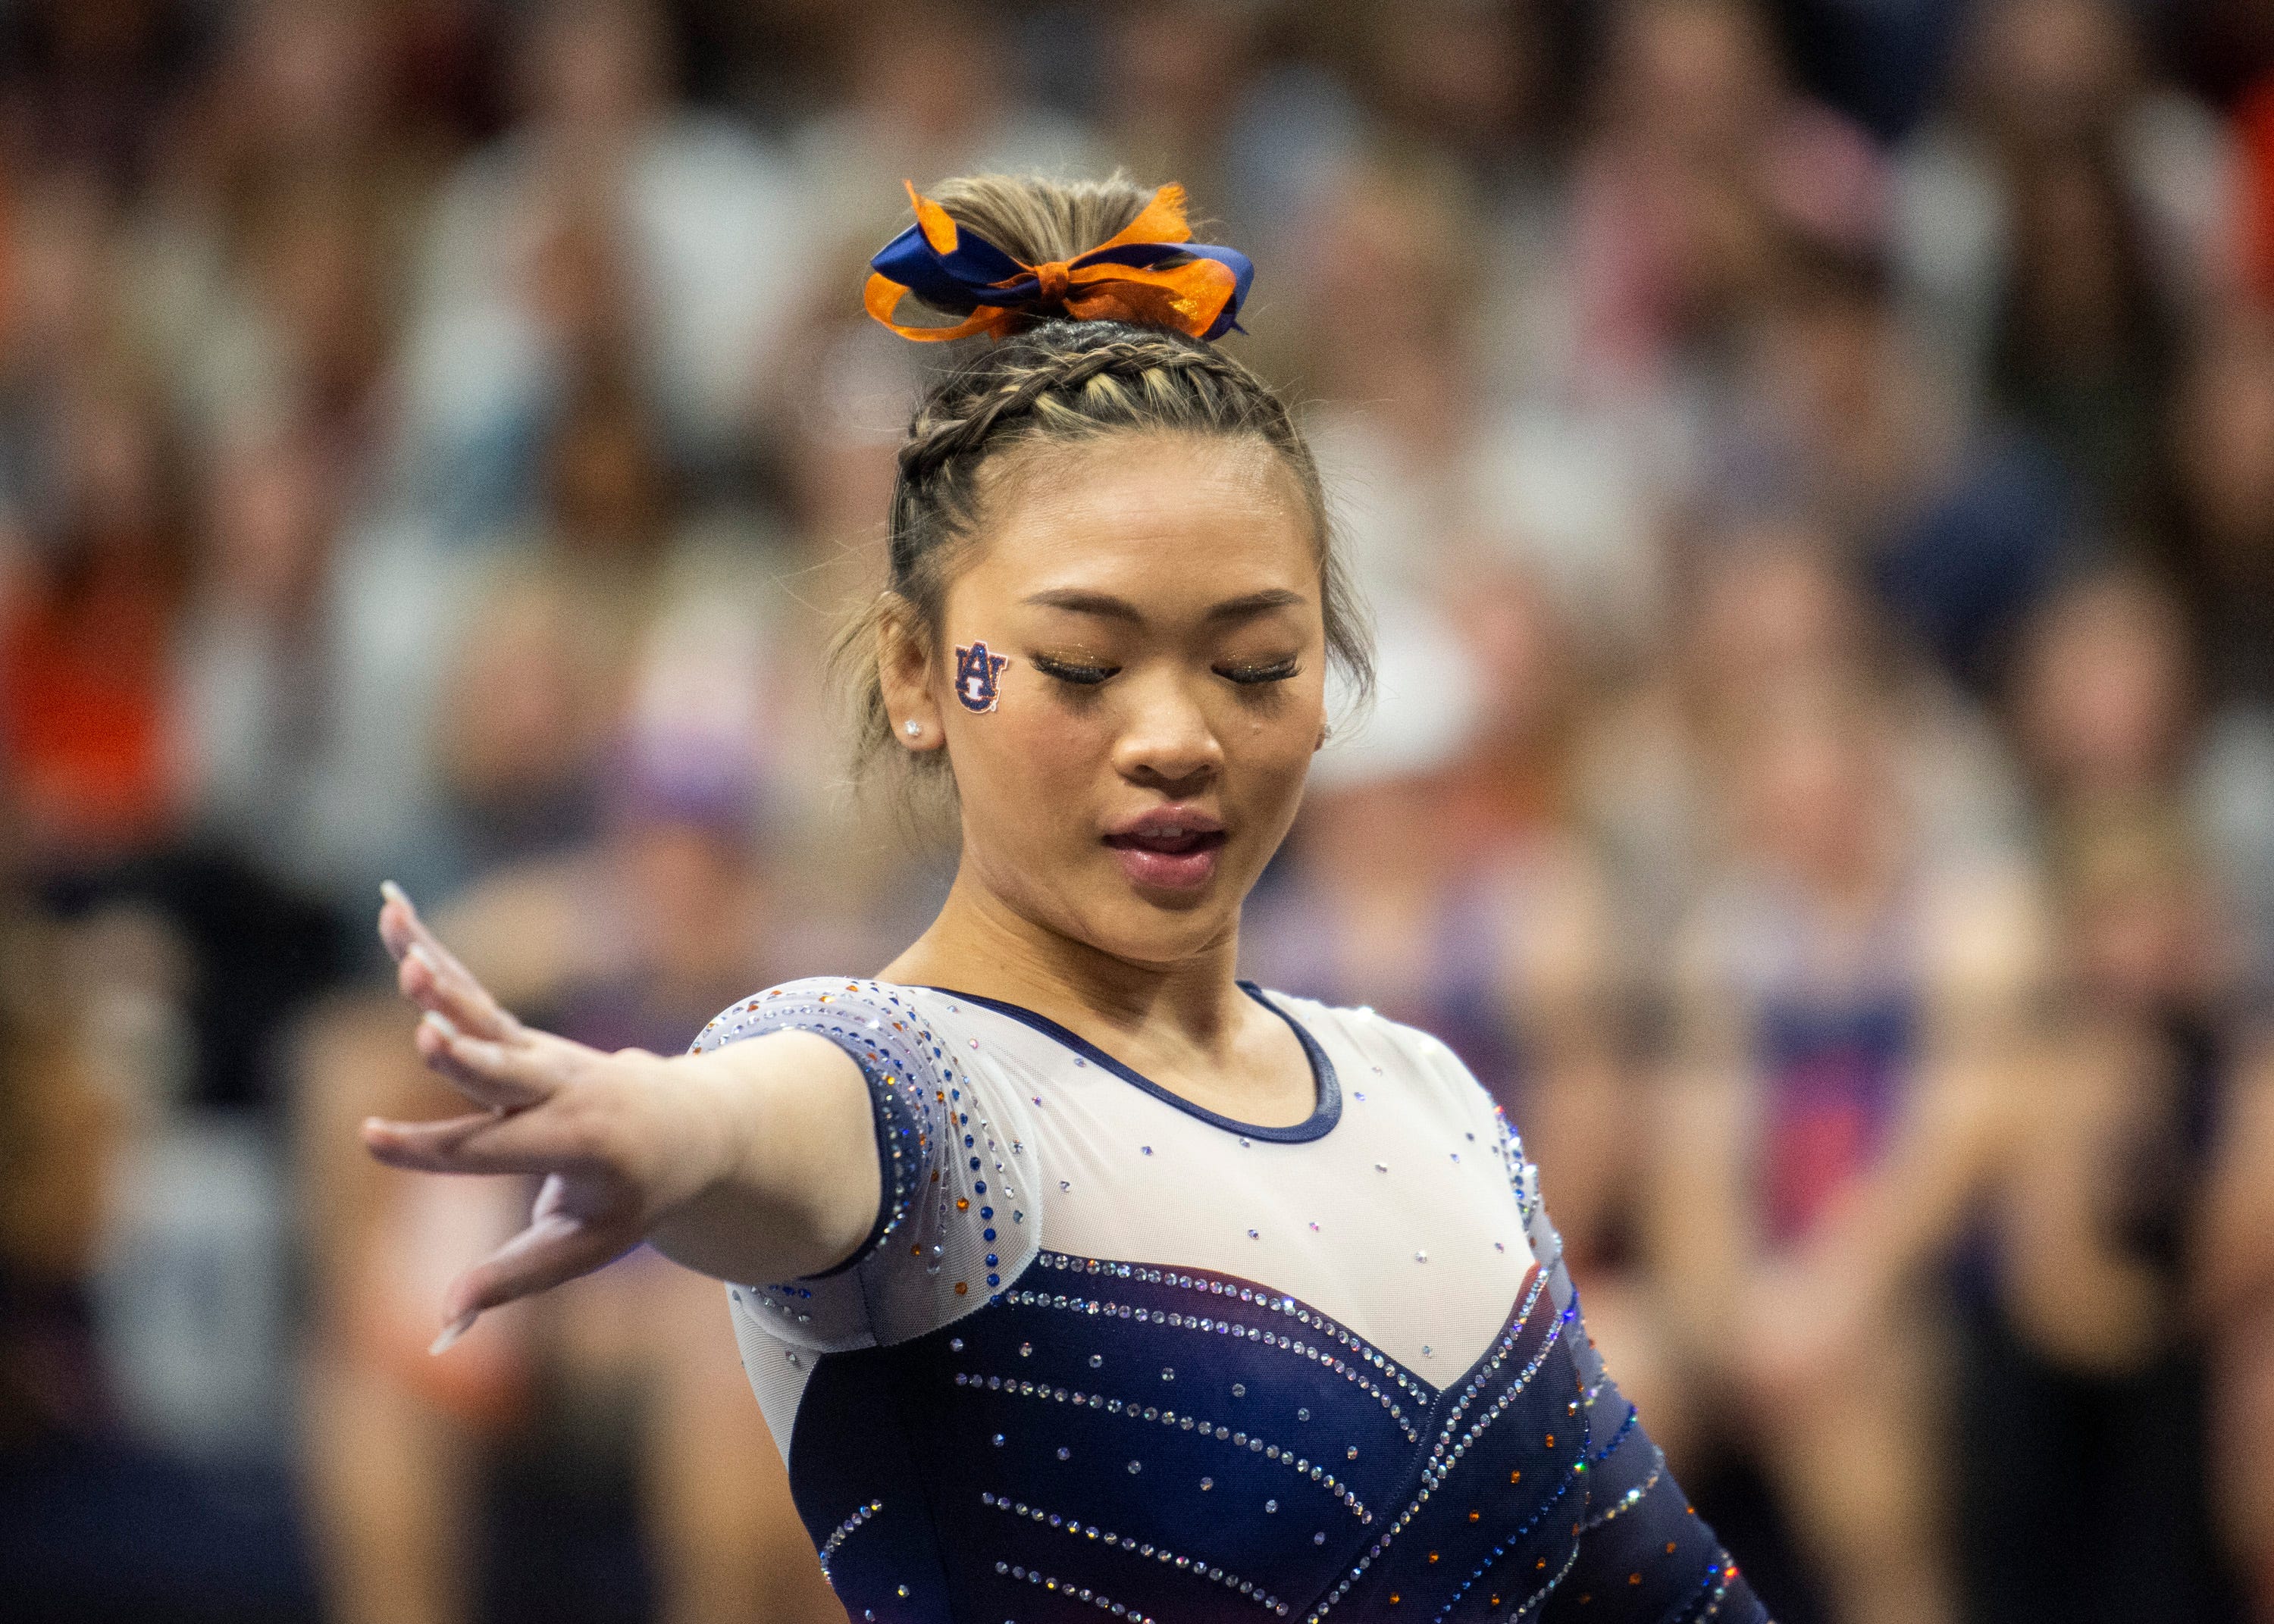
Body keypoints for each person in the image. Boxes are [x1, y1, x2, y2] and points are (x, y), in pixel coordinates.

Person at [361, 172, 1765, 1623]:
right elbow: (796, 1117)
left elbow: (1667, 1594)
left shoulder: (1433, 1102)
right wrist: (664, 1129)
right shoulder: (926, 1082)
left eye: (1254, 665)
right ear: (922, 677)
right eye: (1084, 667)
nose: (1177, 738)